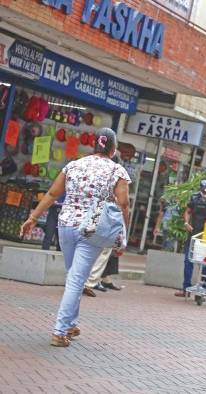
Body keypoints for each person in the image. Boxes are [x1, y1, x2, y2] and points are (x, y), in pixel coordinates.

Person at [20, 128, 131, 347]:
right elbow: (124, 204)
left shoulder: (73, 165)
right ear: (113, 148)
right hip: (93, 228)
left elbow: (52, 194)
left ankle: (70, 324)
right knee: (76, 280)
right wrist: (122, 233)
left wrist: (33, 217)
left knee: (74, 276)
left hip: (66, 225)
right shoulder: (117, 171)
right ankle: (60, 331)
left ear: (95, 146)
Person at [175, 179, 206, 297]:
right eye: (202, 190)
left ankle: (203, 289)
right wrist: (186, 223)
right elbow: (187, 211)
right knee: (188, 261)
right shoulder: (194, 197)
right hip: (194, 234)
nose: (204, 193)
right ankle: (186, 289)